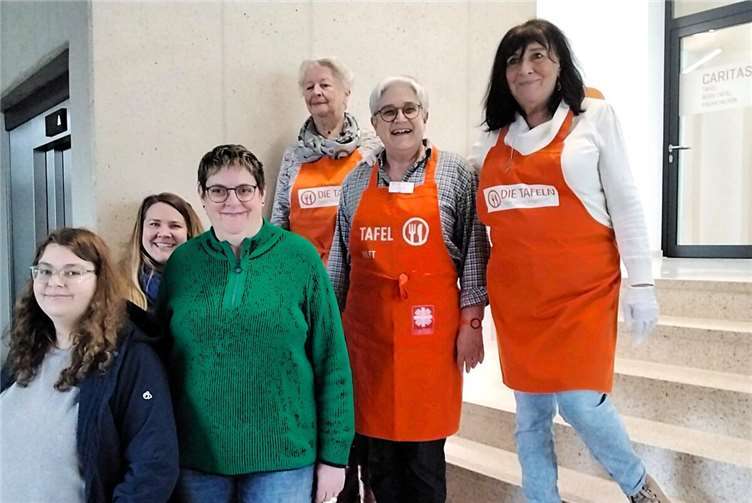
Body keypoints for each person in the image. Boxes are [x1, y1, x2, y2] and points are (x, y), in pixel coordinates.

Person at [471, 19, 669, 503]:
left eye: (539, 55)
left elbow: (625, 202)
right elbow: (482, 229)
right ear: (503, 75)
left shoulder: (593, 117)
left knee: (582, 403)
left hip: (583, 296)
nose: (525, 68)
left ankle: (640, 488)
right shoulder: (490, 141)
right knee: (530, 416)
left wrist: (640, 283)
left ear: (560, 65)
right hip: (519, 304)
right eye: (514, 60)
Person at [157, 144, 354, 503]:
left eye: (244, 189)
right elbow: (160, 360)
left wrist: (334, 458)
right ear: (201, 195)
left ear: (261, 194)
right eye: (218, 189)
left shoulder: (300, 258)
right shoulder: (182, 264)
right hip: (197, 459)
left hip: (284, 459)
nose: (232, 200)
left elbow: (332, 362)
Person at [328, 75, 489, 503]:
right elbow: (338, 267)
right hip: (368, 343)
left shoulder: (456, 174)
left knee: (423, 465)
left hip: (429, 342)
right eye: (388, 112)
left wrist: (472, 323)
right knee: (376, 461)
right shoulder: (355, 182)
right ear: (375, 123)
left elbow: (475, 254)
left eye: (409, 109)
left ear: (424, 115)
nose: (400, 119)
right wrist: (329, 333)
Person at [0, 227, 179, 502]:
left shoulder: (132, 358)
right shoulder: (24, 354)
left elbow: (153, 467)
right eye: (45, 271)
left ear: (100, 281)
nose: (55, 282)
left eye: (71, 272)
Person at [271, 57, 380, 264]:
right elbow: (279, 219)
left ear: (346, 92)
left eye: (325, 85)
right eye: (309, 87)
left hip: (359, 271)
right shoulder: (294, 155)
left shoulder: (371, 147)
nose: (316, 92)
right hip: (305, 273)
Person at [122, 192, 203, 311]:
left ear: (189, 233)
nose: (164, 234)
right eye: (154, 224)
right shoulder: (116, 288)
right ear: (141, 231)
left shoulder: (217, 287)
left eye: (175, 226)